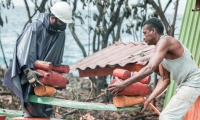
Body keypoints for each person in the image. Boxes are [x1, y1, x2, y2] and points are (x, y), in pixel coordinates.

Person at [108, 17, 200, 120]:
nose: (143, 37)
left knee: (167, 117)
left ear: (153, 31)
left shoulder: (165, 41)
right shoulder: (160, 50)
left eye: (145, 33)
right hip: (187, 85)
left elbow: (150, 68)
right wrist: (149, 99)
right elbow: (165, 80)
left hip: (193, 83)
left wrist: (123, 84)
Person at [3, 1, 72, 117]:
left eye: (65, 23)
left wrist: (56, 77)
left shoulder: (61, 33)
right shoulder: (35, 27)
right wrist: (27, 70)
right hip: (29, 73)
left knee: (45, 110)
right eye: (61, 22)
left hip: (45, 76)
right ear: (52, 18)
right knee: (30, 107)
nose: (63, 25)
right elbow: (22, 50)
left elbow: (56, 57)